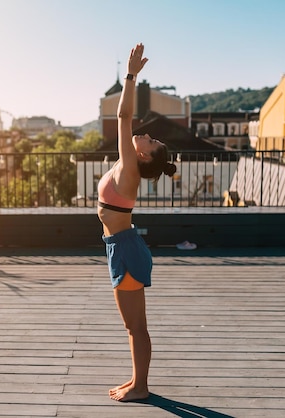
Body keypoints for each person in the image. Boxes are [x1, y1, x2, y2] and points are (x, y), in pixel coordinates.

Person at [98, 42, 177, 402]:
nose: (144, 133)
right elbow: (127, 124)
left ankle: (141, 387)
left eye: (150, 138)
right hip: (120, 246)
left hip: (126, 249)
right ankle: (136, 381)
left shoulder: (130, 169)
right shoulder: (124, 163)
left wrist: (130, 76)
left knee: (135, 327)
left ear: (145, 154)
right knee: (133, 326)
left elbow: (123, 117)